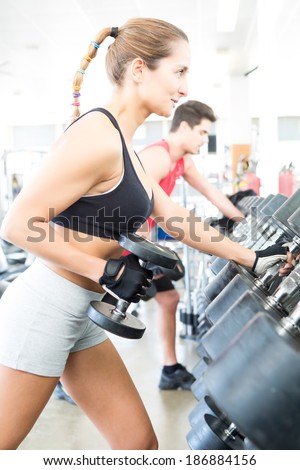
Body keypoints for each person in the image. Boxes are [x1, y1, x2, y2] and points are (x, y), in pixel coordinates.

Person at [0, 18, 293, 451]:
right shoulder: (97, 135)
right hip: (43, 309)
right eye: (179, 71)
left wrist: (251, 257)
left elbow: (176, 218)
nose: (185, 86)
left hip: (80, 313)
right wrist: (107, 270)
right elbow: (18, 224)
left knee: (138, 446)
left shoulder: (126, 148)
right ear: (140, 69)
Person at [138, 100, 245, 390]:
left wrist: (242, 219)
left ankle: (170, 369)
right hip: (119, 242)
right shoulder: (157, 157)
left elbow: (210, 191)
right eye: (201, 132)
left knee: (170, 299)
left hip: (138, 242)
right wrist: (148, 251)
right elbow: (136, 206)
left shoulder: (182, 160)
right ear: (183, 127)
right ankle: (62, 377)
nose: (204, 139)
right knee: (92, 305)